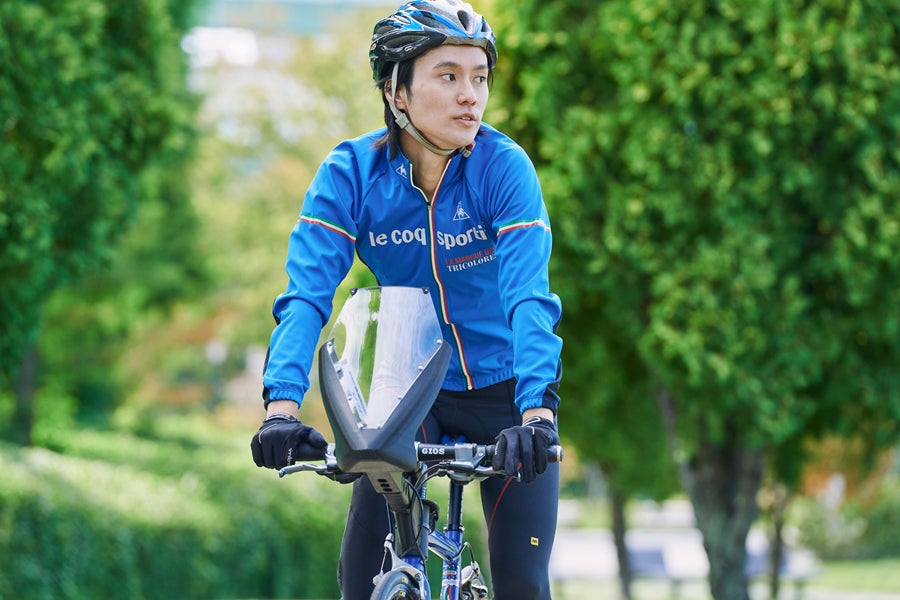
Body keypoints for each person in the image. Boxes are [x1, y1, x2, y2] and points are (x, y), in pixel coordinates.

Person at [250, 1, 563, 598]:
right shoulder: (351, 173)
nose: (470, 95)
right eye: (448, 76)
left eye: (480, 77)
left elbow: (529, 297)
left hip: (507, 392)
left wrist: (536, 416)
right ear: (396, 91)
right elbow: (307, 296)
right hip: (408, 389)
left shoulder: (504, 168)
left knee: (523, 582)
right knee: (361, 574)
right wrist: (281, 409)